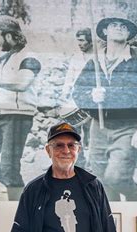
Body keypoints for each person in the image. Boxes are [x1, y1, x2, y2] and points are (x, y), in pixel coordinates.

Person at [72, 17, 137, 201]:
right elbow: (78, 92)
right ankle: (115, 223)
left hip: (128, 129)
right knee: (103, 183)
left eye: (124, 26)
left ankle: (135, 199)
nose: (119, 28)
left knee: (116, 178)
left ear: (129, 34)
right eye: (114, 25)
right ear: (105, 32)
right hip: (98, 128)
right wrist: (91, 96)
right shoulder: (95, 62)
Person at [0, 15, 41, 200]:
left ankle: (18, 203)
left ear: (9, 35)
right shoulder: (7, 57)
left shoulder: (30, 57)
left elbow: (22, 84)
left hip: (18, 117)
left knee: (9, 167)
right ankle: (21, 192)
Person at [60, 27, 94, 168]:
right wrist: (64, 95)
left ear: (90, 41)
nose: (79, 44)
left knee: (92, 131)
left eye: (82, 41)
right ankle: (79, 160)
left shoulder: (97, 57)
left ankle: (92, 161)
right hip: (76, 98)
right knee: (75, 130)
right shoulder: (76, 57)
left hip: (93, 98)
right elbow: (69, 78)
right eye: (78, 41)